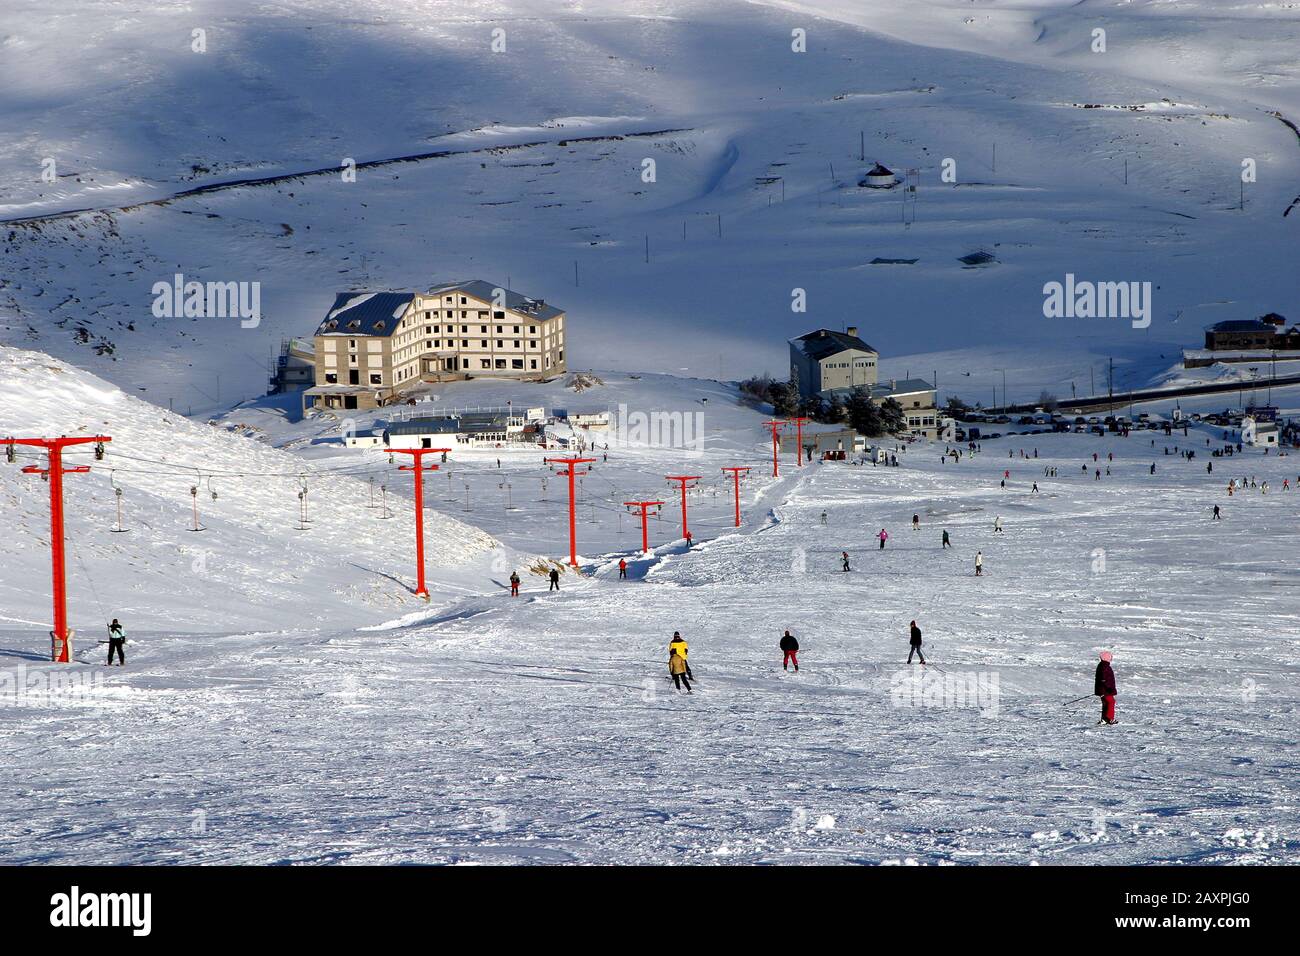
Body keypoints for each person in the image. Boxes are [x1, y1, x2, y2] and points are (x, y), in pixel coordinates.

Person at [1095, 651, 1117, 725]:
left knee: (1106, 703)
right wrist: (1109, 688)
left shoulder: (1102, 665)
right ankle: (1110, 718)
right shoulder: (1105, 666)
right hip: (1106, 690)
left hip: (1102, 690)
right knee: (1111, 702)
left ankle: (1104, 719)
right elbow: (1104, 679)